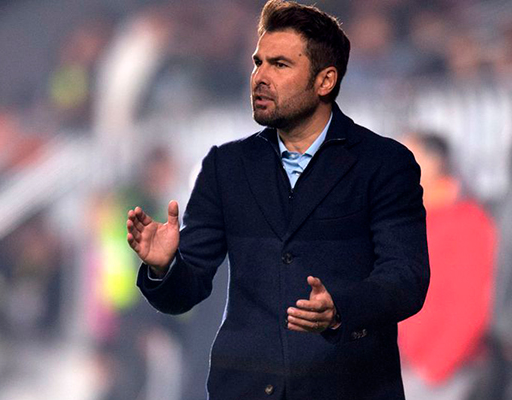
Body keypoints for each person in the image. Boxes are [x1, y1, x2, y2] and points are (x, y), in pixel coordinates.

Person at [126, 1, 429, 399]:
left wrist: (341, 308)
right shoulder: (224, 166)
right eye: (258, 63)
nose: (260, 77)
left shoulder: (384, 163)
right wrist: (164, 267)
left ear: (325, 80)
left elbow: (406, 278)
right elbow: (187, 290)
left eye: (280, 65)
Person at [399, 132, 496, 400]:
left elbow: (473, 305)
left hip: (444, 376)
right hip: (407, 365)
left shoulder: (467, 221)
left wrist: (436, 368)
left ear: (433, 163)